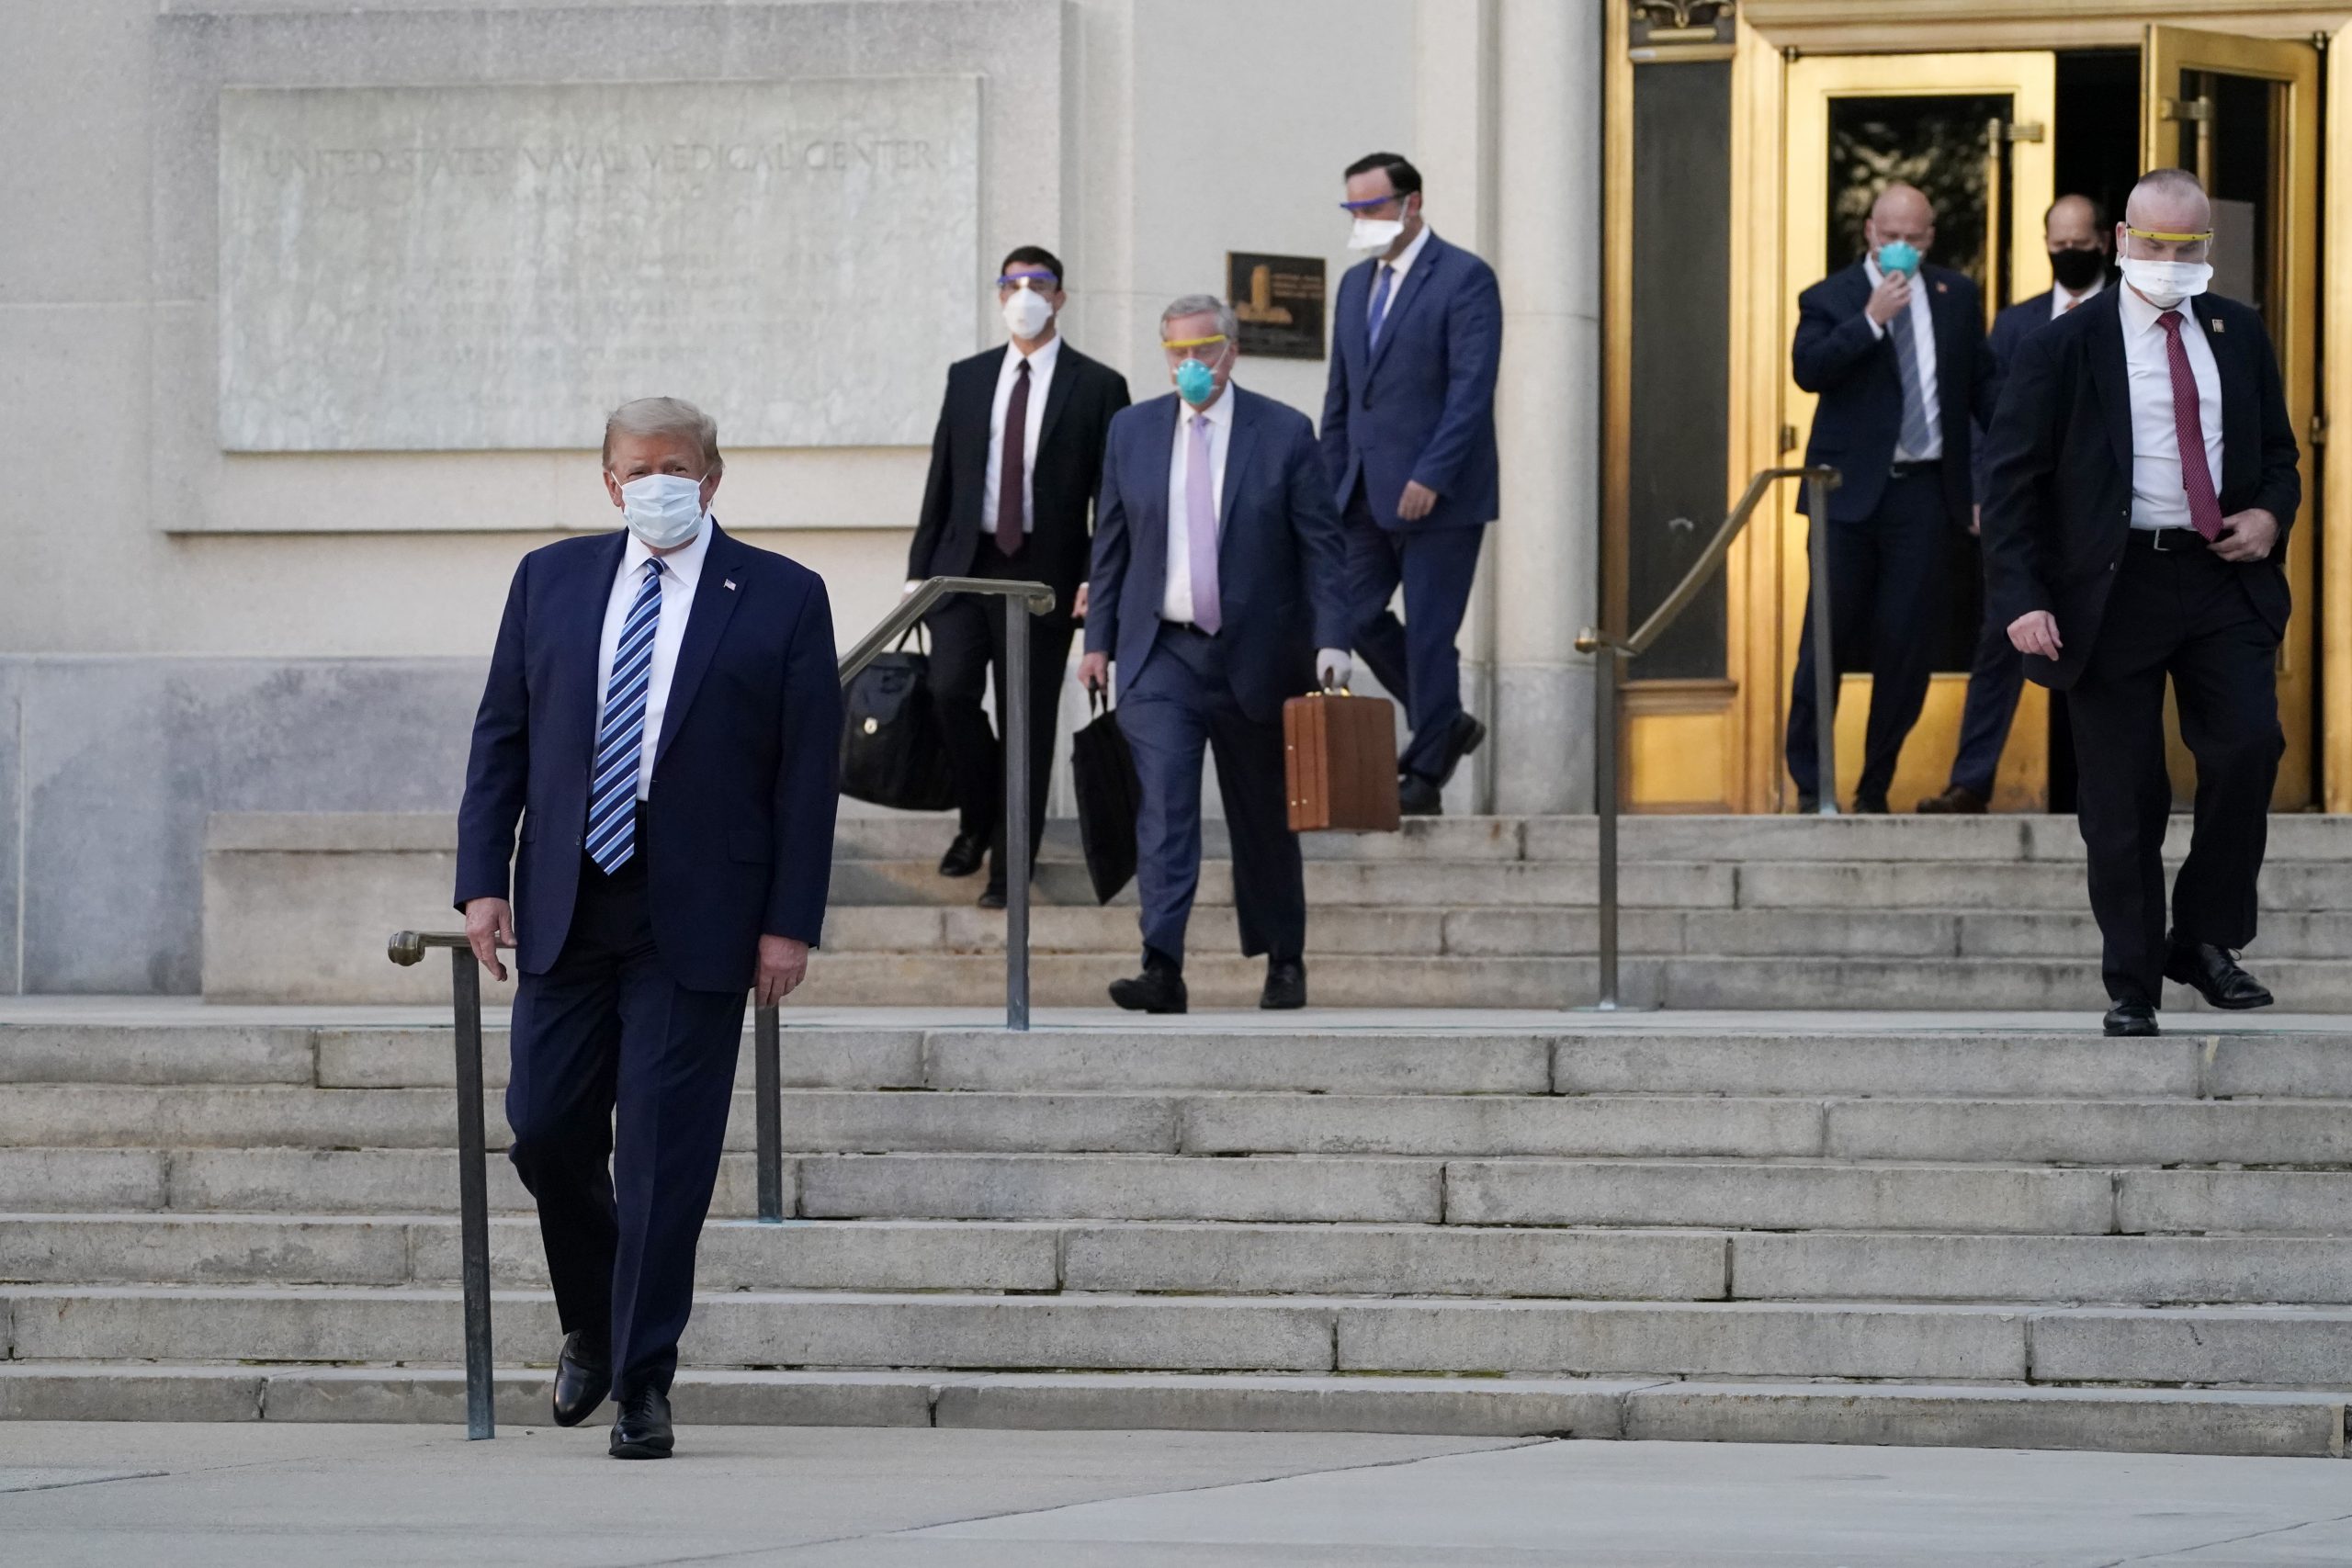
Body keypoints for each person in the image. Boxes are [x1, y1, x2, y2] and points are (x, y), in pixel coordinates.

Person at [454, 398, 842, 1456]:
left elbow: (809, 779)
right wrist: (480, 880)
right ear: (608, 481)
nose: (655, 483)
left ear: (713, 478)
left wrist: (789, 924)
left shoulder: (782, 595)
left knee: (665, 1157)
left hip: (703, 915)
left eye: (676, 467)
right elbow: (503, 734)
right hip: (568, 904)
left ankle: (642, 1380)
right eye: (636, 468)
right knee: (544, 1130)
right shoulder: (552, 579)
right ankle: (592, 1318)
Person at [1981, 169, 2297, 1037]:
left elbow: (2278, 453)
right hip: (2109, 590)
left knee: (2247, 746)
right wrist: (2021, 596)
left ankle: (2201, 937)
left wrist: (2271, 513)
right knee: (2123, 796)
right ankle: (2132, 982)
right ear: (2121, 240)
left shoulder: (2239, 332)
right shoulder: (2064, 344)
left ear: (2207, 245)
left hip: (2221, 575)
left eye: (2184, 244)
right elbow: (2008, 482)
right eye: (2151, 242)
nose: (2166, 258)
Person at [1079, 296, 1351, 1013]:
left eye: (1204, 349)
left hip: (1257, 653)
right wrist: (1097, 640)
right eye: (1177, 351)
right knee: (1164, 808)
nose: (1190, 364)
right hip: (1160, 653)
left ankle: (1283, 957)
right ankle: (1161, 964)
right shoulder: (1131, 431)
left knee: (1263, 815)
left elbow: (1323, 547)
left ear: (1232, 351)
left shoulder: (1284, 432)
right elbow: (1109, 543)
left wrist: (1333, 640)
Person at [906, 246, 1132, 906]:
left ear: (1061, 297)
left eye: (1039, 283)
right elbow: (941, 477)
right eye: (1014, 283)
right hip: (963, 566)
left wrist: (1098, 578)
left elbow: (1109, 496)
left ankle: (1009, 870)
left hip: (1046, 575)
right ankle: (978, 815)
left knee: (1025, 721)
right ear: (999, 294)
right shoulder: (969, 376)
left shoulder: (1097, 386)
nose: (1025, 294)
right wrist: (918, 571)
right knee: (948, 693)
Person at [1786, 182, 1994, 812]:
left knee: (1907, 647)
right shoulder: (1831, 297)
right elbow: (1809, 370)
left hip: (1925, 495)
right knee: (1825, 643)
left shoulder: (1956, 296)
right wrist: (1871, 320)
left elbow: (1982, 389)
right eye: (1890, 236)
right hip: (1844, 498)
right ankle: (1811, 785)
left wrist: (2003, 475)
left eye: (1914, 237)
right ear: (1870, 232)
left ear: (1929, 238)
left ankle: (1874, 786)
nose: (1901, 247)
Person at [1321, 152, 1502, 816]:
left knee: (1429, 630)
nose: (1362, 220)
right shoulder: (1350, 286)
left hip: (1440, 496)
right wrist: (1327, 486)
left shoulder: (1464, 278)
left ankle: (1425, 772)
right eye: (1353, 209)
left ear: (1412, 203)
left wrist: (1433, 472)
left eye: (1372, 206)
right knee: (1350, 613)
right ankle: (1445, 719)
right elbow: (1340, 396)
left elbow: (1470, 391)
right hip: (1363, 493)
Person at [1920, 194, 2113, 815]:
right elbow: (1992, 425)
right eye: (2057, 244)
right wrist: (1983, 492)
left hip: (2108, 522)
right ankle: (1971, 780)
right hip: (2031, 522)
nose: (2068, 253)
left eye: (2080, 243)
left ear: (2106, 241)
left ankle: (2104, 789)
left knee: (2114, 652)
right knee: (2000, 644)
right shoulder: (2015, 324)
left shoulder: (2129, 313)